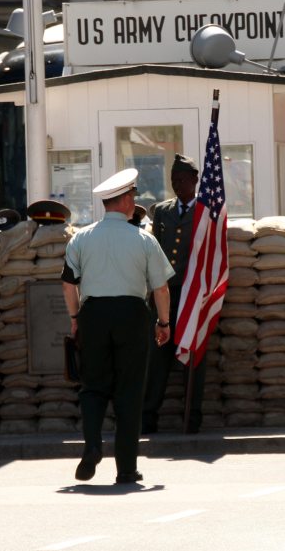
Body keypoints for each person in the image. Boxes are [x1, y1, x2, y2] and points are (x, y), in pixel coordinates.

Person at [61, 168, 174, 484]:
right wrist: (163, 322)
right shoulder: (144, 239)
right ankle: (126, 468)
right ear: (126, 200)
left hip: (93, 314)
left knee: (93, 385)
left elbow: (69, 285)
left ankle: (93, 445)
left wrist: (75, 318)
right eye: (133, 196)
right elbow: (161, 288)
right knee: (129, 391)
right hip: (132, 314)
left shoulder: (81, 237)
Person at [142, 154, 208, 434]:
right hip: (165, 293)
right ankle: (148, 416)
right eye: (173, 181)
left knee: (193, 358)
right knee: (158, 357)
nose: (177, 185)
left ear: (195, 179)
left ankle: (192, 416)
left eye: (182, 180)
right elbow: (156, 252)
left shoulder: (206, 212)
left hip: (193, 293)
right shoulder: (163, 212)